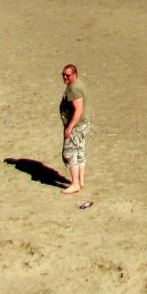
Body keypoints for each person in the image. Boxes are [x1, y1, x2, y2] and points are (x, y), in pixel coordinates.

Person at [59, 64, 89, 195]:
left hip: (76, 126)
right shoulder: (78, 84)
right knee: (79, 152)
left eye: (68, 75)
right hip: (83, 125)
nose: (65, 77)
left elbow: (79, 109)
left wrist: (70, 127)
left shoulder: (74, 89)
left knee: (69, 154)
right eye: (63, 74)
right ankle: (81, 182)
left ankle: (75, 184)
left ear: (75, 75)